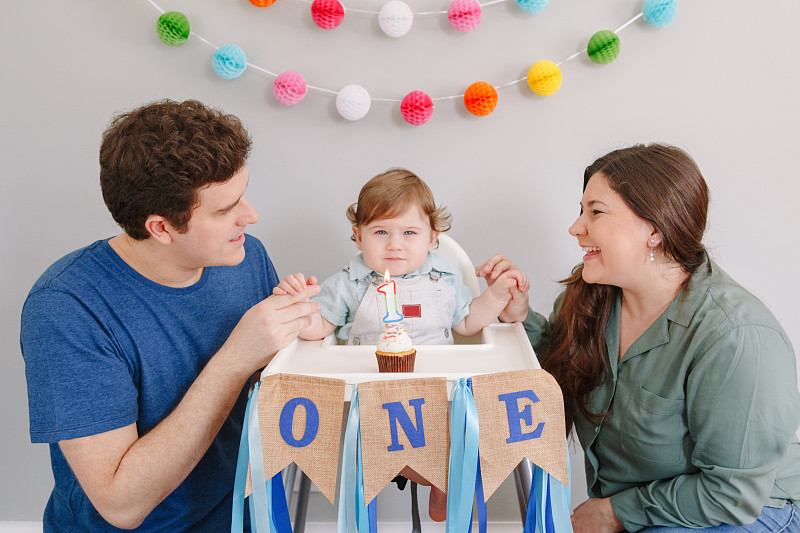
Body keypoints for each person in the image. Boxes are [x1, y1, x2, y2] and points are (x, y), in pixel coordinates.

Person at [20, 99, 321, 532]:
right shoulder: (66, 309)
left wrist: (303, 337)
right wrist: (237, 358)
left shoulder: (243, 256)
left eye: (243, 195)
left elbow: (269, 395)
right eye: (224, 210)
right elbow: (121, 505)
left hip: (244, 514)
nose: (251, 217)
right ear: (162, 228)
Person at [478, 144, 800, 533]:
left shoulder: (736, 338)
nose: (575, 227)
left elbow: (732, 495)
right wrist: (519, 316)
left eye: (595, 211)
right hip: (651, 512)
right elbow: (555, 379)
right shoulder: (589, 300)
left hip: (750, 511)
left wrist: (614, 512)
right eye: (580, 210)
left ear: (654, 229)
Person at [274, 168, 529, 521]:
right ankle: (423, 470)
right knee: (391, 438)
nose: (395, 244)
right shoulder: (350, 282)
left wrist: (498, 295)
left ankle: (442, 481)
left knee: (459, 432)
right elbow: (320, 330)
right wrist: (301, 308)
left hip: (438, 390)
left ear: (432, 238)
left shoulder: (445, 278)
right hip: (371, 392)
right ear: (358, 237)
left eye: (409, 232)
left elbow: (469, 323)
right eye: (381, 232)